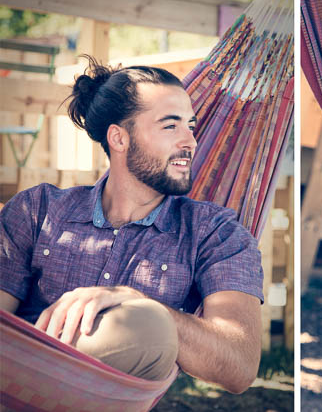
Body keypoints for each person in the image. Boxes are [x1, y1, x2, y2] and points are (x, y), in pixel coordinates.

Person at [0, 57, 264, 393]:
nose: (190, 141)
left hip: (108, 396)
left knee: (146, 323)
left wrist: (137, 302)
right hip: (14, 385)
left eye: (191, 126)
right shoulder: (37, 210)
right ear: (119, 138)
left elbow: (239, 366)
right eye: (171, 126)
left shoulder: (216, 232)